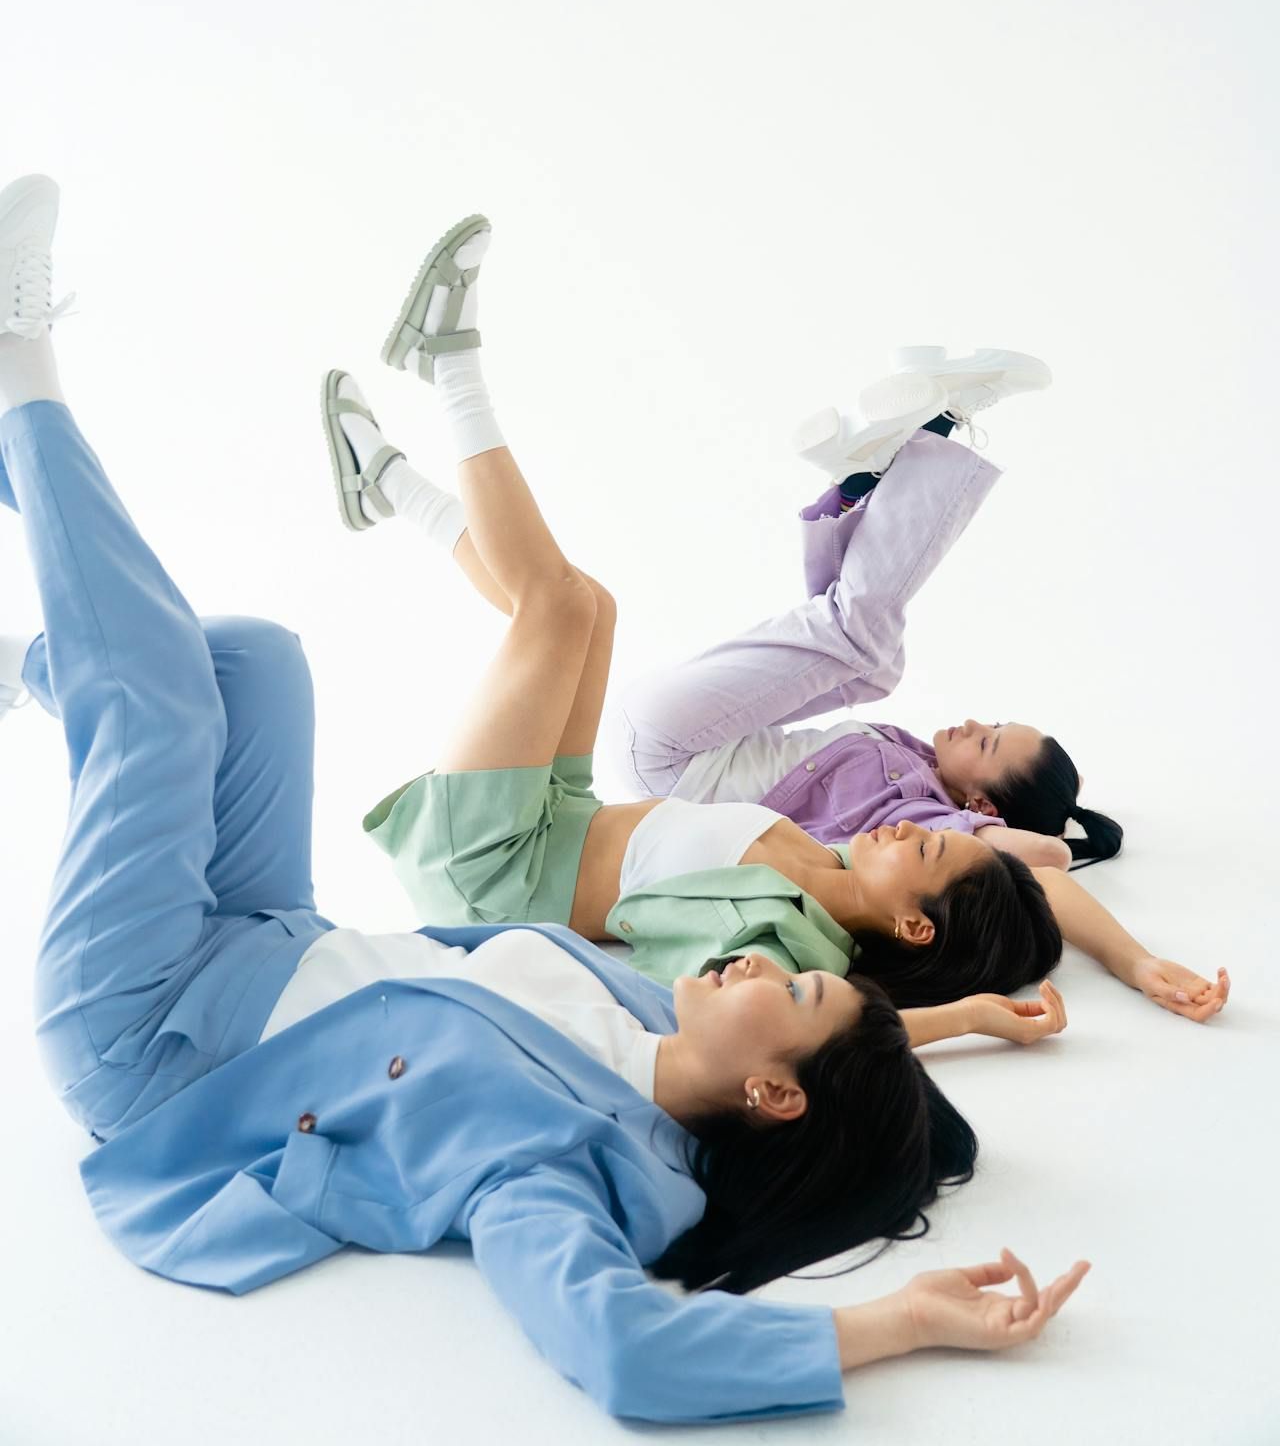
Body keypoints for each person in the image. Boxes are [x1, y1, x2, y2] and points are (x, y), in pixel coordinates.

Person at [0, 174, 1086, 1425]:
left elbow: (628, 1352)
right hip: (266, 931)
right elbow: (886, 1068)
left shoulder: (569, 1164)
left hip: (152, 1034)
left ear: (771, 1093)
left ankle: (22, 359)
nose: (751, 968)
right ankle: (54, 653)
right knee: (255, 659)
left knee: (162, 704)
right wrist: (987, 1005)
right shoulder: (646, 1004)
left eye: (787, 993)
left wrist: (892, 1319)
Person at [330, 310, 1226, 1021]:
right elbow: (1011, 874)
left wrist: (1105, 968)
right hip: (565, 819)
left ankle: (451, 363)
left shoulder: (797, 935)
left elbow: (1014, 882)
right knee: (591, 606)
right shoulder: (829, 853)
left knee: (558, 608)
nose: (902, 829)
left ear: (919, 911)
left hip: (498, 873)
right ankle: (389, 483)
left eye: (924, 842)